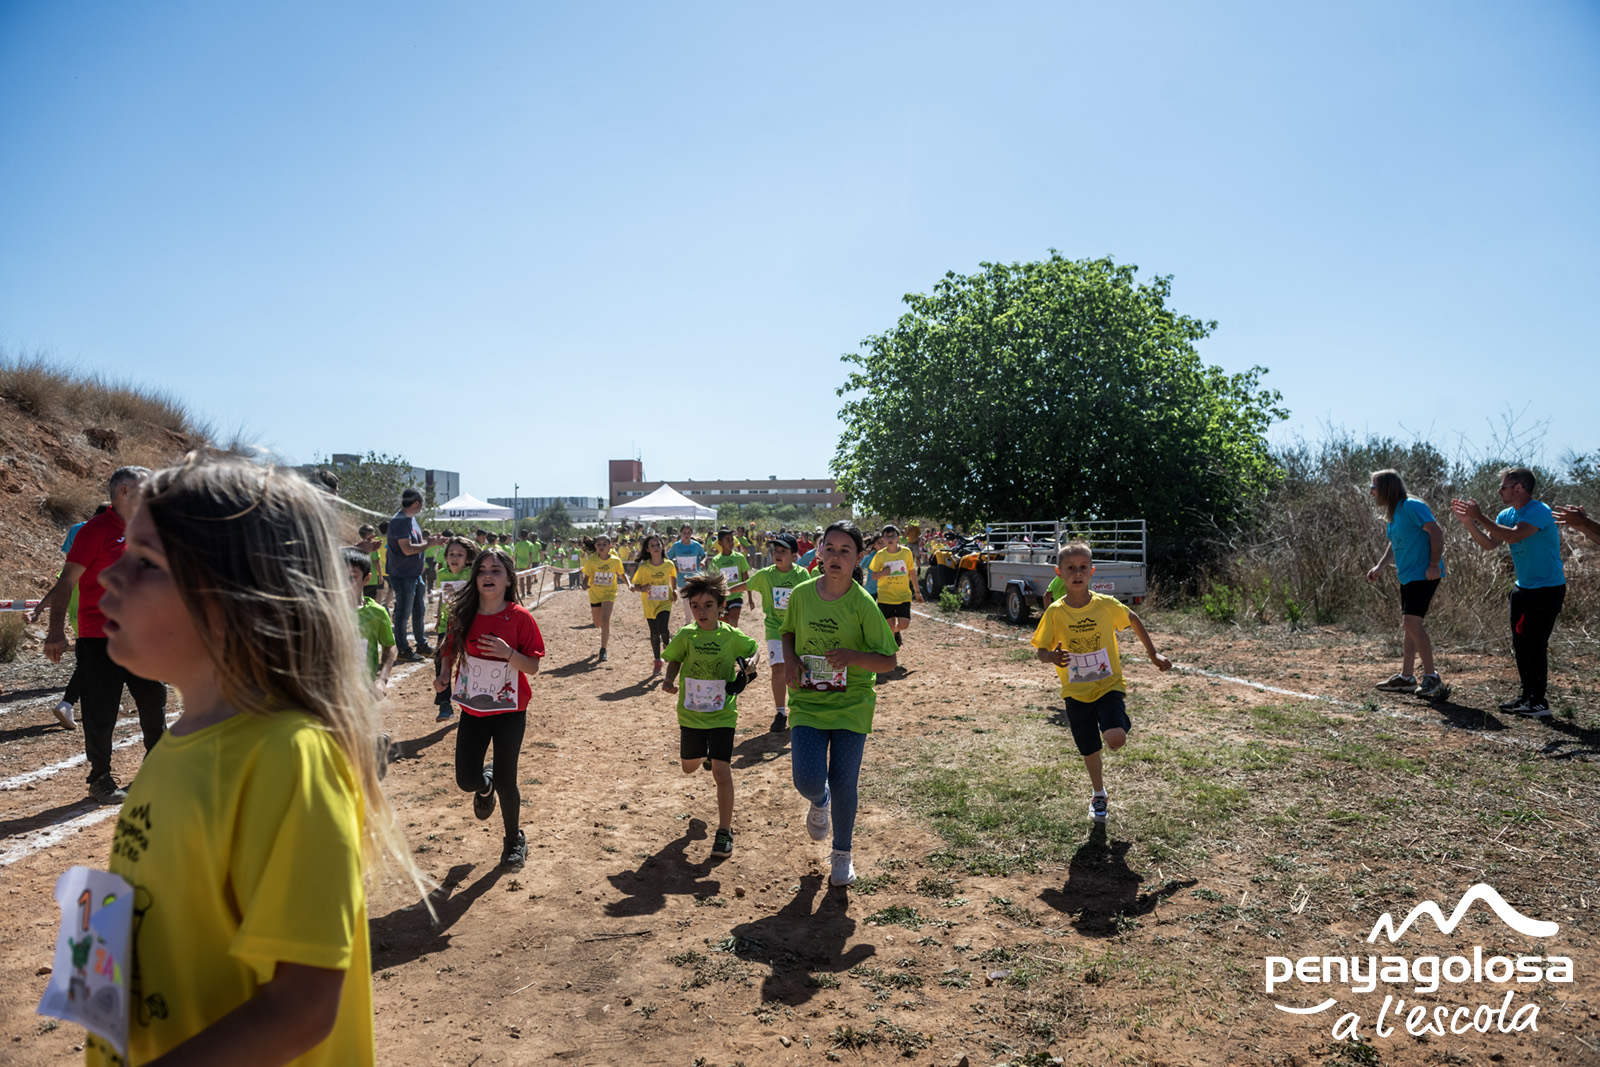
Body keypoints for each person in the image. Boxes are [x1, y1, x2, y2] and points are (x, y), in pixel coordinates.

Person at [86, 455, 424, 1066]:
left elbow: (301, 1008)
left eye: (147, 562)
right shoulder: (175, 750)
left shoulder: (289, 756)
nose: (109, 574)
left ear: (236, 601)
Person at [32, 466, 167, 803]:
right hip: (99, 636)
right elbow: (67, 582)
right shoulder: (95, 531)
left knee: (154, 700)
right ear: (124, 492)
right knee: (100, 711)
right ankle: (100, 778)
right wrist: (55, 632)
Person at [780, 521, 899, 887]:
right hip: (808, 702)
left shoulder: (863, 603)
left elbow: (889, 661)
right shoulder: (801, 594)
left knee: (845, 781)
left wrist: (852, 656)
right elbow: (788, 631)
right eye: (829, 548)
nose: (835, 556)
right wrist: (789, 659)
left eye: (845, 551)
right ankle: (819, 801)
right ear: (819, 553)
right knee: (808, 780)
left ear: (858, 558)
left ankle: (842, 854)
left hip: (852, 704)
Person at [1030, 542, 1172, 821]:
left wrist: (1153, 654)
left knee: (1115, 739)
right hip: (1075, 690)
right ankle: (1099, 793)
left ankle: (1117, 724)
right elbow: (1040, 651)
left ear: (1092, 571)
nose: (1077, 573)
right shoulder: (1055, 612)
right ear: (1059, 573)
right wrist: (1052, 657)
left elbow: (1133, 619)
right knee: (1089, 748)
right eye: (1071, 568)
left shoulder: (1105, 605)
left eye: (1083, 567)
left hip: (1108, 684)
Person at [436, 547, 545, 870]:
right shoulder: (462, 613)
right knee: (465, 779)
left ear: (509, 579)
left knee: (507, 779)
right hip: (474, 709)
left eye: (495, 570)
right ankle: (485, 787)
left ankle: (514, 840)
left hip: (510, 710)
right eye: (482, 570)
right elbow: (449, 649)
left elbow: (533, 666)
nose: (487, 576)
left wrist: (508, 652)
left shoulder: (520, 618)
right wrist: (444, 674)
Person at [1451, 467, 1566, 719]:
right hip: (1522, 588)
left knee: (1535, 643)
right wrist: (1469, 522)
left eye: (1503, 486)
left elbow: (1515, 536)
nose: (1499, 491)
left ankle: (1538, 701)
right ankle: (1527, 697)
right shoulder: (1506, 514)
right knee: (1521, 644)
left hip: (1547, 589)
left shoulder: (1539, 511)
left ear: (1519, 488)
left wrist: (1480, 516)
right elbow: (1490, 544)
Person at [661, 572, 758, 859]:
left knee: (721, 771)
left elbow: (754, 651)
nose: (701, 612)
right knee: (688, 767)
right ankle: (703, 757)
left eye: (708, 605)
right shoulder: (686, 635)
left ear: (721, 606)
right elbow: (675, 658)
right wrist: (668, 679)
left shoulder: (730, 636)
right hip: (691, 714)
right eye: (695, 606)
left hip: (722, 714)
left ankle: (724, 831)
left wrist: (750, 665)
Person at [1365, 469, 1447, 698]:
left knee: (1412, 623)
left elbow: (1436, 533)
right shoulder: (1395, 511)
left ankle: (1432, 678)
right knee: (1410, 625)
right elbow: (1395, 543)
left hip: (1424, 575)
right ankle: (1407, 677)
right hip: (1408, 576)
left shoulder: (1412, 506)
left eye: (1373, 487)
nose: (1371, 492)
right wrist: (1380, 566)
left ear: (1386, 488)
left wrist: (1433, 564)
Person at [49, 502, 110, 730]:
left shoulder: (78, 530)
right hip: (98, 606)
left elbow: (65, 573)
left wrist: (39, 610)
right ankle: (68, 702)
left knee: (92, 657)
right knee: (94, 659)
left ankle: (99, 701)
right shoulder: (108, 535)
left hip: (78, 606)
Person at [744, 532, 812, 732]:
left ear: (794, 555)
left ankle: (800, 710)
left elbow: (810, 598)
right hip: (776, 629)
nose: (778, 554)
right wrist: (722, 591)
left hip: (798, 630)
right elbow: (746, 585)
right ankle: (781, 713)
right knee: (778, 669)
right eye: (776, 550)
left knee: (798, 669)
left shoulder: (801, 575)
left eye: (783, 551)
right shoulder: (766, 575)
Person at [386, 489, 440, 663]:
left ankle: (421, 644)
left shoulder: (411, 520)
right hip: (403, 575)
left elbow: (415, 544)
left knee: (419, 611)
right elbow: (407, 549)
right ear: (416, 503)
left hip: (414, 574)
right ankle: (403, 649)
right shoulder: (400, 521)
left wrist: (431, 542)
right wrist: (429, 544)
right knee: (403, 613)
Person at [432, 536, 476, 721]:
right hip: (447, 624)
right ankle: (444, 704)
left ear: (467, 558)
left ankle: (473, 701)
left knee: (470, 663)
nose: (454, 558)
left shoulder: (472, 573)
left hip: (469, 624)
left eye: (459, 554)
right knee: (441, 660)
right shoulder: (442, 573)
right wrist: (438, 615)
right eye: (451, 554)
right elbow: (443, 597)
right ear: (445, 557)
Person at [345, 549, 396, 696]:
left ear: (366, 579)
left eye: (351, 577)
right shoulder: (326, 610)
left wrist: (382, 679)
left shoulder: (377, 612)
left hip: (363, 690)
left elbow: (389, 647)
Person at [867, 524, 921, 650]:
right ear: (883, 539)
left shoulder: (906, 552)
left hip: (903, 596)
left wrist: (917, 591)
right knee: (889, 626)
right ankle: (890, 651)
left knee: (904, 624)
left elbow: (912, 572)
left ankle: (896, 631)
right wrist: (883, 573)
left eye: (893, 536)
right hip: (885, 597)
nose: (890, 539)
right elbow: (873, 575)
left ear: (898, 538)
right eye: (887, 536)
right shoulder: (880, 555)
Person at [630, 534, 679, 674]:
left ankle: (667, 645)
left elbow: (673, 576)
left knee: (663, 627)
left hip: (665, 601)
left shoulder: (669, 564)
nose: (656, 547)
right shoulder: (644, 567)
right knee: (654, 633)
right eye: (652, 545)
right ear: (647, 549)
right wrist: (642, 588)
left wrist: (674, 589)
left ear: (662, 546)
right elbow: (634, 586)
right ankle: (657, 661)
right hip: (649, 604)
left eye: (658, 544)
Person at [582, 534, 627, 662]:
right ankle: (602, 631)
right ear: (595, 546)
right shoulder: (591, 560)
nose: (601, 547)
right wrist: (584, 584)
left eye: (604, 544)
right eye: (599, 544)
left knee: (605, 620)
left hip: (609, 593)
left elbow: (622, 574)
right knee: (597, 623)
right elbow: (586, 577)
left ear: (610, 546)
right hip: (595, 594)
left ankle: (603, 649)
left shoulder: (615, 560)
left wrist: (629, 584)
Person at [708, 528, 752, 626]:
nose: (731, 542)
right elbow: (712, 581)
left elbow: (746, 579)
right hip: (721, 598)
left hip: (736, 596)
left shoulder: (740, 558)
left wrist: (750, 597)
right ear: (720, 543)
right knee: (723, 624)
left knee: (733, 621)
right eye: (728, 540)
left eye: (732, 540)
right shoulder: (716, 561)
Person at [665, 523, 708, 626]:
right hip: (682, 579)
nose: (686, 535)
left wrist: (703, 561)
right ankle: (688, 623)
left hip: (696, 577)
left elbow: (704, 555)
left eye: (689, 533)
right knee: (686, 602)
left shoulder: (696, 545)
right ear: (680, 533)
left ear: (691, 533)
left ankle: (699, 621)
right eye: (684, 533)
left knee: (697, 600)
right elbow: (668, 557)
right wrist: (674, 566)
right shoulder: (676, 546)